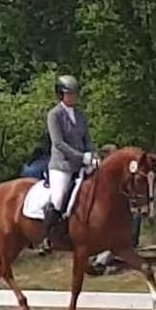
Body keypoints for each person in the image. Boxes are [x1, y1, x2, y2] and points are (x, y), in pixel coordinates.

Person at [40, 74, 98, 254]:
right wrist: (82, 157)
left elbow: (87, 139)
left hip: (82, 164)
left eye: (75, 94)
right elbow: (58, 143)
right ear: (60, 95)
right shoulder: (54, 115)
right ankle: (47, 237)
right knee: (58, 198)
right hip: (62, 166)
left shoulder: (80, 115)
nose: (73, 97)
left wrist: (92, 154)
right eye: (69, 94)